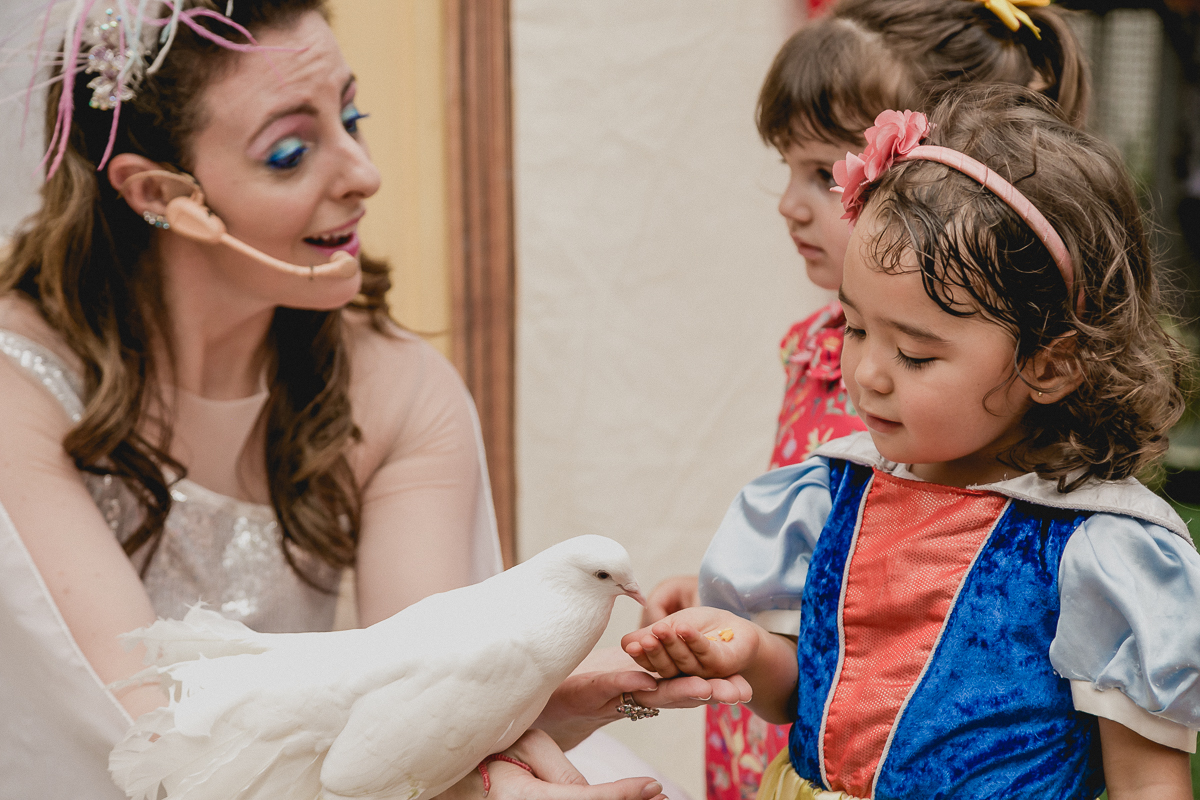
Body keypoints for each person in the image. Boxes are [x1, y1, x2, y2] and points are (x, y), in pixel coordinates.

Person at [0, 2, 731, 797]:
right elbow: (152, 735)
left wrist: (510, 743)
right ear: (157, 192)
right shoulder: (19, 382)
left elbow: (431, 689)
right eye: (289, 152)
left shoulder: (401, 388)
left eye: (352, 118)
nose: (364, 174)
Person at [624, 85, 1198, 798]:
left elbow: (1148, 784)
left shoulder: (1097, 551)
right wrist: (746, 650)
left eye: (916, 355)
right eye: (856, 327)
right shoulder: (831, 496)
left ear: (1049, 365)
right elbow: (800, 698)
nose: (867, 373)